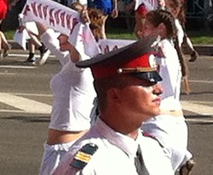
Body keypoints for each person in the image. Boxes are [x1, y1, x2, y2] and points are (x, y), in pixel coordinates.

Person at [52, 36, 172, 175]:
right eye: (147, 83)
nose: (159, 89)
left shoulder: (154, 150)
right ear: (114, 95)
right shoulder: (90, 165)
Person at [37, 11, 100, 175]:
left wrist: (79, 26)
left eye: (63, 33)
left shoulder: (81, 65)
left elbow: (77, 55)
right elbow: (47, 37)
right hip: (59, 149)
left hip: (67, 151)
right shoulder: (68, 63)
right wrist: (33, 2)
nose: (58, 36)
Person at [140, 9, 193, 173]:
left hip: (158, 126)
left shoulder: (159, 51)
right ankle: (184, 158)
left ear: (161, 29)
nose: (142, 31)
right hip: (175, 124)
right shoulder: (170, 48)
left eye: (147, 27)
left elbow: (155, 86)